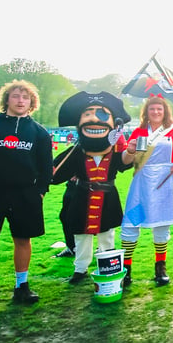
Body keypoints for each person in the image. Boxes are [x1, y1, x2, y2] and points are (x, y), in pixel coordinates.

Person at [52, 91, 132, 284]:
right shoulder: (75, 151)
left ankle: (108, 267)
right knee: (81, 236)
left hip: (107, 197)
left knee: (107, 235)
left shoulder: (114, 151)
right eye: (87, 114)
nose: (95, 119)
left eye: (103, 115)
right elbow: (55, 174)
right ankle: (80, 269)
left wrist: (130, 151)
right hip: (81, 197)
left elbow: (124, 163)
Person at [120, 95, 173, 287]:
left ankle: (160, 267)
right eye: (152, 109)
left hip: (166, 181)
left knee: (162, 226)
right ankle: (126, 270)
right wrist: (129, 151)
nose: (156, 112)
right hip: (141, 184)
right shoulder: (138, 131)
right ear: (146, 112)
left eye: (159, 109)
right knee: (131, 223)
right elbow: (125, 162)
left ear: (165, 112)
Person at [0, 80, 53, 303]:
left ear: (31, 102)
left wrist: (40, 192)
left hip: (25, 195)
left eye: (25, 97)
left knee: (23, 239)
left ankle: (21, 286)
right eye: (16, 96)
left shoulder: (39, 132)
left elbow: (47, 167)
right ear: (6, 99)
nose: (20, 101)